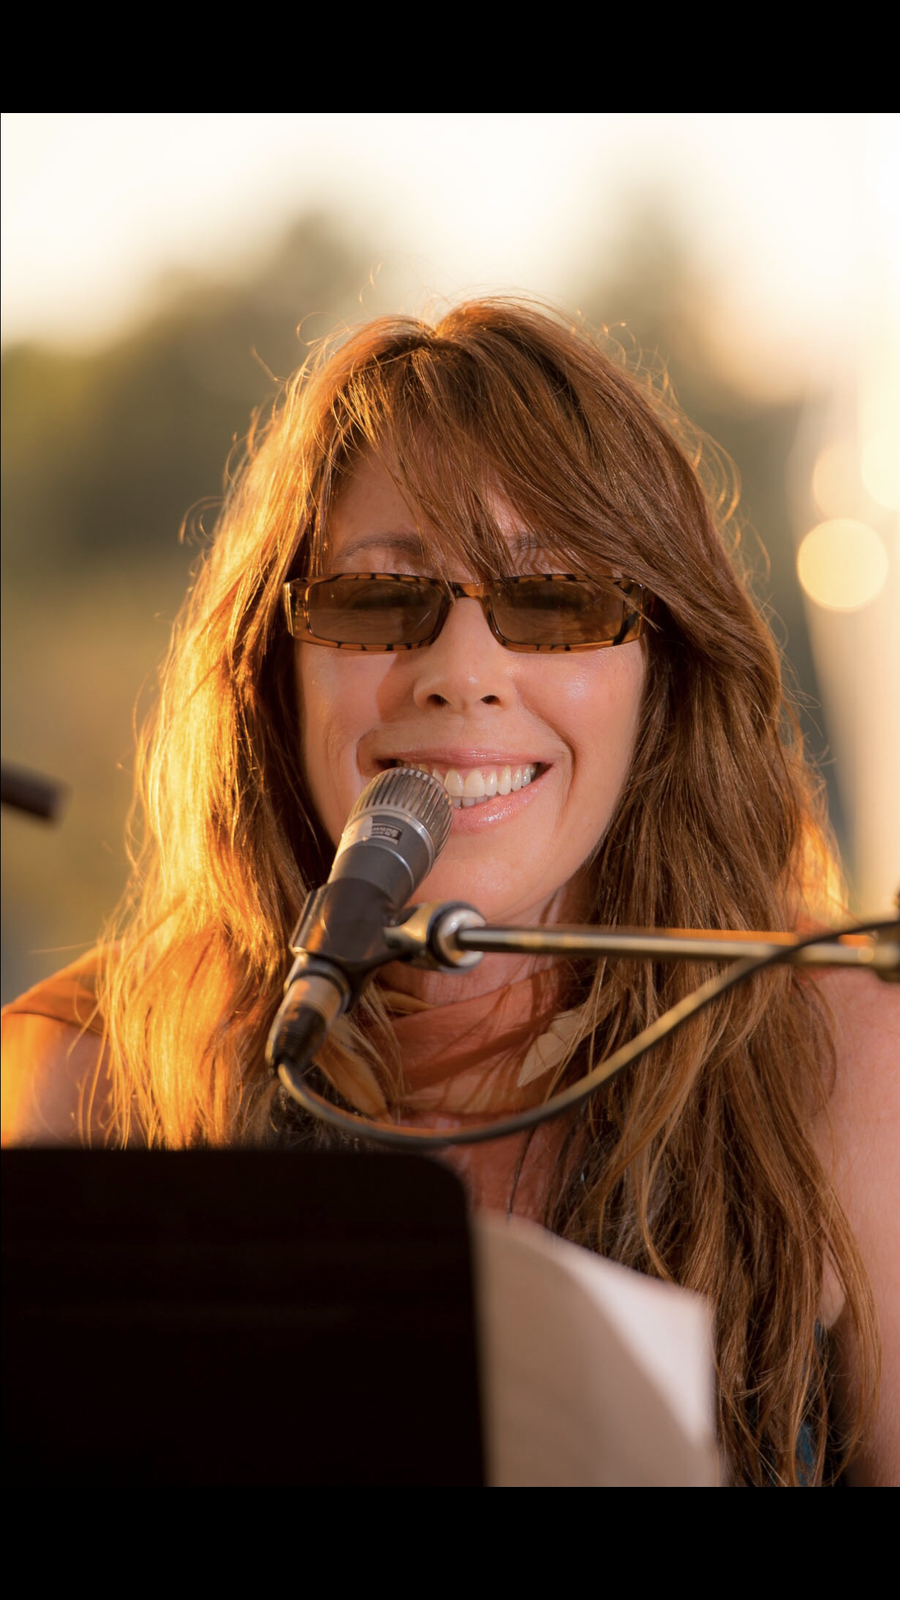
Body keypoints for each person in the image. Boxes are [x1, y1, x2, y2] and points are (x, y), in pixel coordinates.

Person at [2, 298, 897, 1487]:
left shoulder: (844, 1054)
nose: (462, 674)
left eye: (557, 598)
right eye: (379, 598)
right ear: (274, 667)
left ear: (664, 675)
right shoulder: (94, 1070)